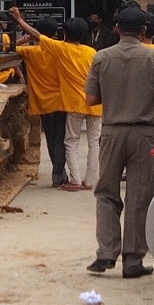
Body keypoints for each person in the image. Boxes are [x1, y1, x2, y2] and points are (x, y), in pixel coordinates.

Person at [84, 8, 154, 278]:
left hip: (112, 131)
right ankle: (133, 260)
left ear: (115, 28)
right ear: (144, 31)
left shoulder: (101, 57)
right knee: (139, 196)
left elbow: (90, 99)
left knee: (106, 193)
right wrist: (148, 97)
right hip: (144, 133)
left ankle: (106, 253)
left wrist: (115, 97)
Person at [6, 9, 71, 189]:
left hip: (43, 102)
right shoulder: (61, 49)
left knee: (51, 138)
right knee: (62, 138)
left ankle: (58, 172)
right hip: (61, 99)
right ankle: (59, 172)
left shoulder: (31, 52)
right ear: (56, 32)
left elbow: (8, 48)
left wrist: (27, 37)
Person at [55, 17, 101, 188]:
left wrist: (19, 21)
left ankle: (75, 180)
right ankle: (89, 181)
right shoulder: (92, 52)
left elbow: (38, 36)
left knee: (71, 141)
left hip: (75, 103)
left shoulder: (61, 48)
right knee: (94, 142)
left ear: (65, 33)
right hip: (96, 102)